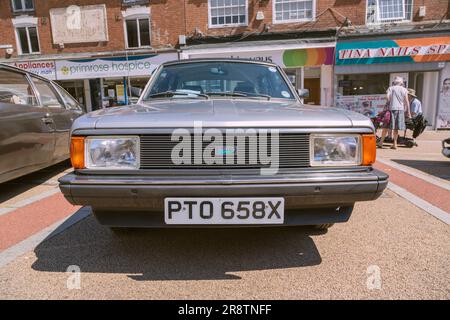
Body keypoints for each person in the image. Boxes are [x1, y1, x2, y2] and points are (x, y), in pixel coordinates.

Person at [378, 77, 411, 149]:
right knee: (396, 128)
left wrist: (389, 102)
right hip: (400, 110)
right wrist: (408, 112)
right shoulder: (404, 90)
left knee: (386, 126)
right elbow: (406, 101)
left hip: (391, 109)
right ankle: (395, 144)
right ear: (401, 83)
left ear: (394, 82)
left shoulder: (391, 88)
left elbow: (387, 97)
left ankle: (381, 143)